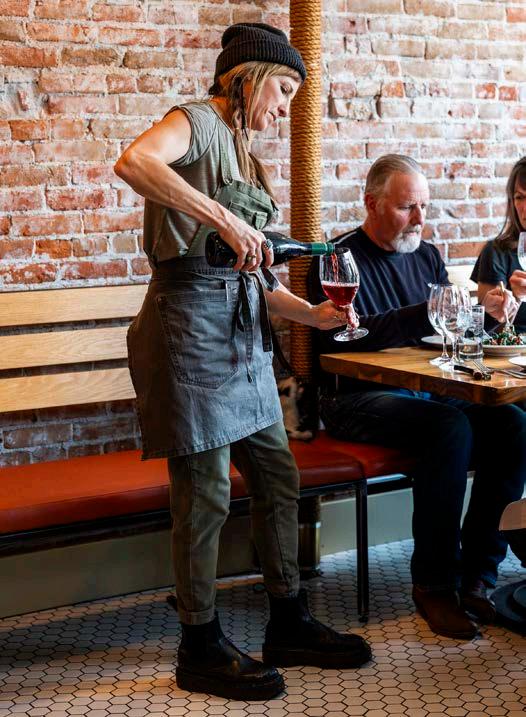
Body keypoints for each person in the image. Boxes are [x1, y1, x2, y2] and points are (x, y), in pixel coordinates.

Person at [114, 22, 371, 702]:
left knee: (277, 474)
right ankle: (198, 645)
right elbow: (134, 162)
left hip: (242, 334)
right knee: (205, 493)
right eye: (283, 89)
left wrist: (312, 315)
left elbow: (253, 274)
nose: (285, 108)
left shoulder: (247, 156)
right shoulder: (196, 123)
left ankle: (288, 620)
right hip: (189, 332)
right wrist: (224, 220)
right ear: (248, 77)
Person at [307, 154, 526, 641]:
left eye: (424, 206)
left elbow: (449, 333)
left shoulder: (425, 255)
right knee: (450, 428)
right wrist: (424, 313)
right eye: (408, 207)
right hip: (354, 399)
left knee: (512, 424)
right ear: (372, 203)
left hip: (424, 393)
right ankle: (434, 584)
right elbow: (344, 340)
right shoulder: (338, 261)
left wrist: (489, 317)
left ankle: (479, 573)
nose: (420, 219)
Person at [471, 156, 526, 332]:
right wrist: (517, 298)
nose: (525, 208)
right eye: (519, 197)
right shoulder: (496, 252)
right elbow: (484, 333)